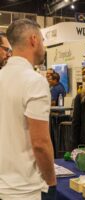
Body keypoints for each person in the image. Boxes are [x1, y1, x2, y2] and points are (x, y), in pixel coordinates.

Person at [0, 19, 56, 200]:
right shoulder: (35, 81)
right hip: (25, 191)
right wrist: (51, 181)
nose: (44, 46)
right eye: (43, 40)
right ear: (34, 40)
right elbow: (40, 143)